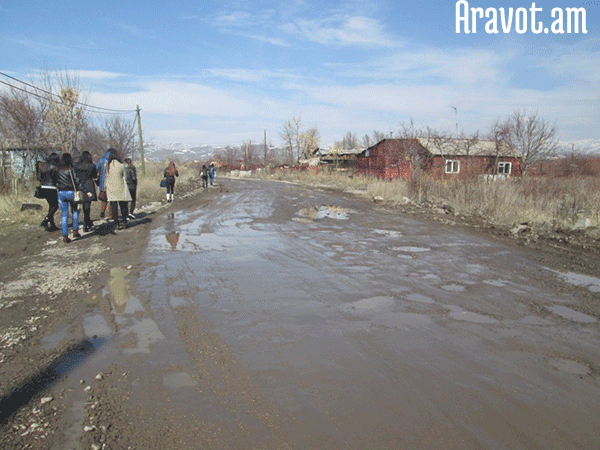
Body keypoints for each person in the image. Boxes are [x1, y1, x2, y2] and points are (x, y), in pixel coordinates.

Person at [56, 152, 86, 243]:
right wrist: (81, 189)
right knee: (75, 211)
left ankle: (65, 235)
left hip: (61, 193)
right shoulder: (71, 169)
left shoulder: (58, 170)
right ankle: (75, 231)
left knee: (64, 215)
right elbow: (76, 180)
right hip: (71, 192)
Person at [105, 149, 132, 230]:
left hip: (111, 188)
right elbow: (125, 177)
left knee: (114, 206)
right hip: (120, 187)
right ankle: (124, 221)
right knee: (123, 205)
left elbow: (106, 175)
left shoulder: (107, 165)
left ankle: (116, 222)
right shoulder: (121, 165)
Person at [74, 151, 98, 232]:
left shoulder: (76, 166)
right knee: (87, 207)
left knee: (78, 206)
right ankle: (86, 223)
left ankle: (82, 223)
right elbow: (95, 176)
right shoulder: (92, 166)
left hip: (79, 185)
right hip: (89, 185)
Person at [36, 152, 60, 232]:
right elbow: (57, 179)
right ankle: (45, 220)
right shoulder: (56, 167)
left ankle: (52, 224)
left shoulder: (43, 166)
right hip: (52, 188)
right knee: (55, 206)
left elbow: (39, 177)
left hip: (43, 187)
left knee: (51, 206)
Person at [96, 149, 111, 219]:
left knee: (104, 199)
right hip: (110, 182)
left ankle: (103, 210)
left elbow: (96, 169)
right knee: (111, 199)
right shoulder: (112, 162)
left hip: (102, 183)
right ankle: (111, 214)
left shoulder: (101, 161)